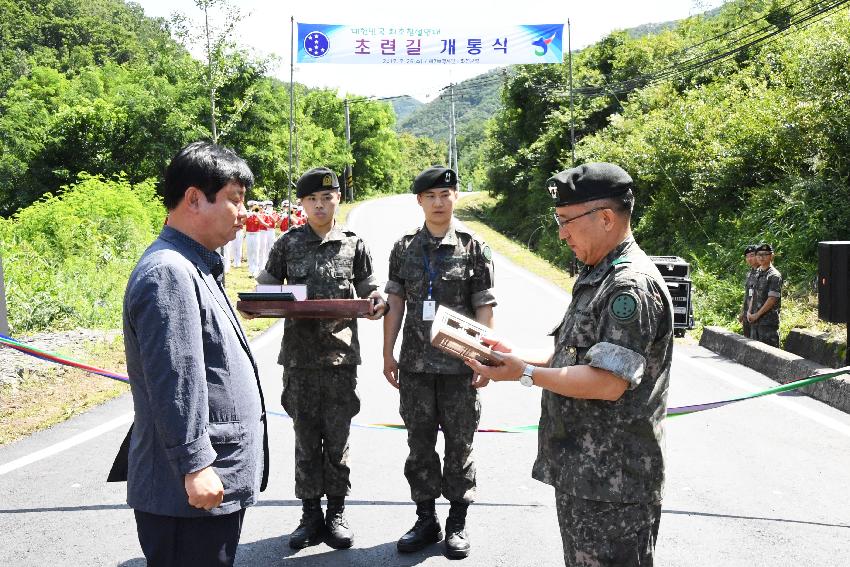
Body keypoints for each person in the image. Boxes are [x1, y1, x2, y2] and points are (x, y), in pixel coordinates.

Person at [466, 162, 673, 567]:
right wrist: (509, 352)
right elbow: (571, 353)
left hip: (616, 482)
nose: (561, 233)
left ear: (607, 218)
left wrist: (524, 374)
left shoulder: (628, 286)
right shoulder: (600, 272)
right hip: (587, 473)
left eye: (566, 221)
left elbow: (607, 382)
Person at [119, 141, 269, 567]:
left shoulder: (195, 263)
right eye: (234, 200)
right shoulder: (170, 271)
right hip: (188, 494)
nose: (243, 212)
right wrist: (195, 465)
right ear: (193, 198)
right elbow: (176, 380)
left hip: (205, 487)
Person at [253, 167, 387, 550]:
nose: (320, 204)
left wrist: (377, 300)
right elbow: (265, 285)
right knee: (305, 440)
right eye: (312, 199)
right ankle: (310, 513)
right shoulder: (287, 243)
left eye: (327, 197)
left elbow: (369, 287)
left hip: (341, 359)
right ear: (302, 203)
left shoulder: (353, 243)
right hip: (299, 359)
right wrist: (258, 303)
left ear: (338, 199)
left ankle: (337, 512)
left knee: (339, 440)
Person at [382, 165, 496, 560]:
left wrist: (483, 358)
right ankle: (426, 518)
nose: (438, 202)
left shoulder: (473, 246)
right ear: (419, 201)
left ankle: (457, 524)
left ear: (455, 198)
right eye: (430, 196)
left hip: (458, 368)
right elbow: (395, 302)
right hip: (415, 367)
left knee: (460, 445)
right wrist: (387, 352)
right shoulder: (404, 247)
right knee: (420, 446)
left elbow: (484, 305)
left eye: (445, 195)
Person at [748, 243, 782, 347]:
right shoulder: (758, 272)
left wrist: (757, 315)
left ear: (771, 256)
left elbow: (772, 299)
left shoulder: (774, 275)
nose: (761, 257)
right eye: (759, 255)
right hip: (755, 322)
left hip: (767, 323)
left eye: (765, 254)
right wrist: (749, 311)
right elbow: (754, 294)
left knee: (770, 354)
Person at [739, 245, 758, 337]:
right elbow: (747, 294)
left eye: (752, 255)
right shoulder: (750, 273)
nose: (749, 259)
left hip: (757, 315)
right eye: (747, 256)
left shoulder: (763, 273)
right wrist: (742, 311)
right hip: (747, 314)